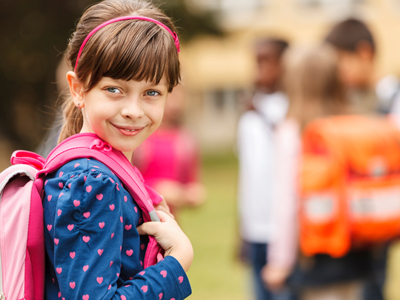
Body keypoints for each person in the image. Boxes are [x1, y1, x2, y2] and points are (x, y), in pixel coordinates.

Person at [42, 0, 193, 299]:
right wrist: (177, 261)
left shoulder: (100, 168)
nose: (133, 110)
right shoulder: (92, 180)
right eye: (114, 89)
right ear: (78, 89)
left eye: (152, 92)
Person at [263, 45, 369, 300]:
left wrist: (280, 261)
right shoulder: (351, 127)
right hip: (356, 253)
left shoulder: (292, 133)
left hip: (314, 254)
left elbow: (286, 202)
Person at [325, 18, 390, 300]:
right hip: (358, 227)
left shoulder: (392, 102)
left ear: (364, 54)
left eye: (342, 63)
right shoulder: (354, 104)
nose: (339, 74)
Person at [237, 38, 296, 300]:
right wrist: (241, 230)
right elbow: (247, 177)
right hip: (255, 228)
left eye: (267, 62)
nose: (259, 71)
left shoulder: (293, 108)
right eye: (256, 63)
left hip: (283, 230)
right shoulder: (249, 114)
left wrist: (260, 113)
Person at [133, 84, 205, 218]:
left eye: (179, 95)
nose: (175, 102)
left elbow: (193, 183)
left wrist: (191, 194)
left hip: (169, 224)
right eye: (169, 96)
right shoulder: (136, 137)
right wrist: (157, 189)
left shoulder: (186, 139)